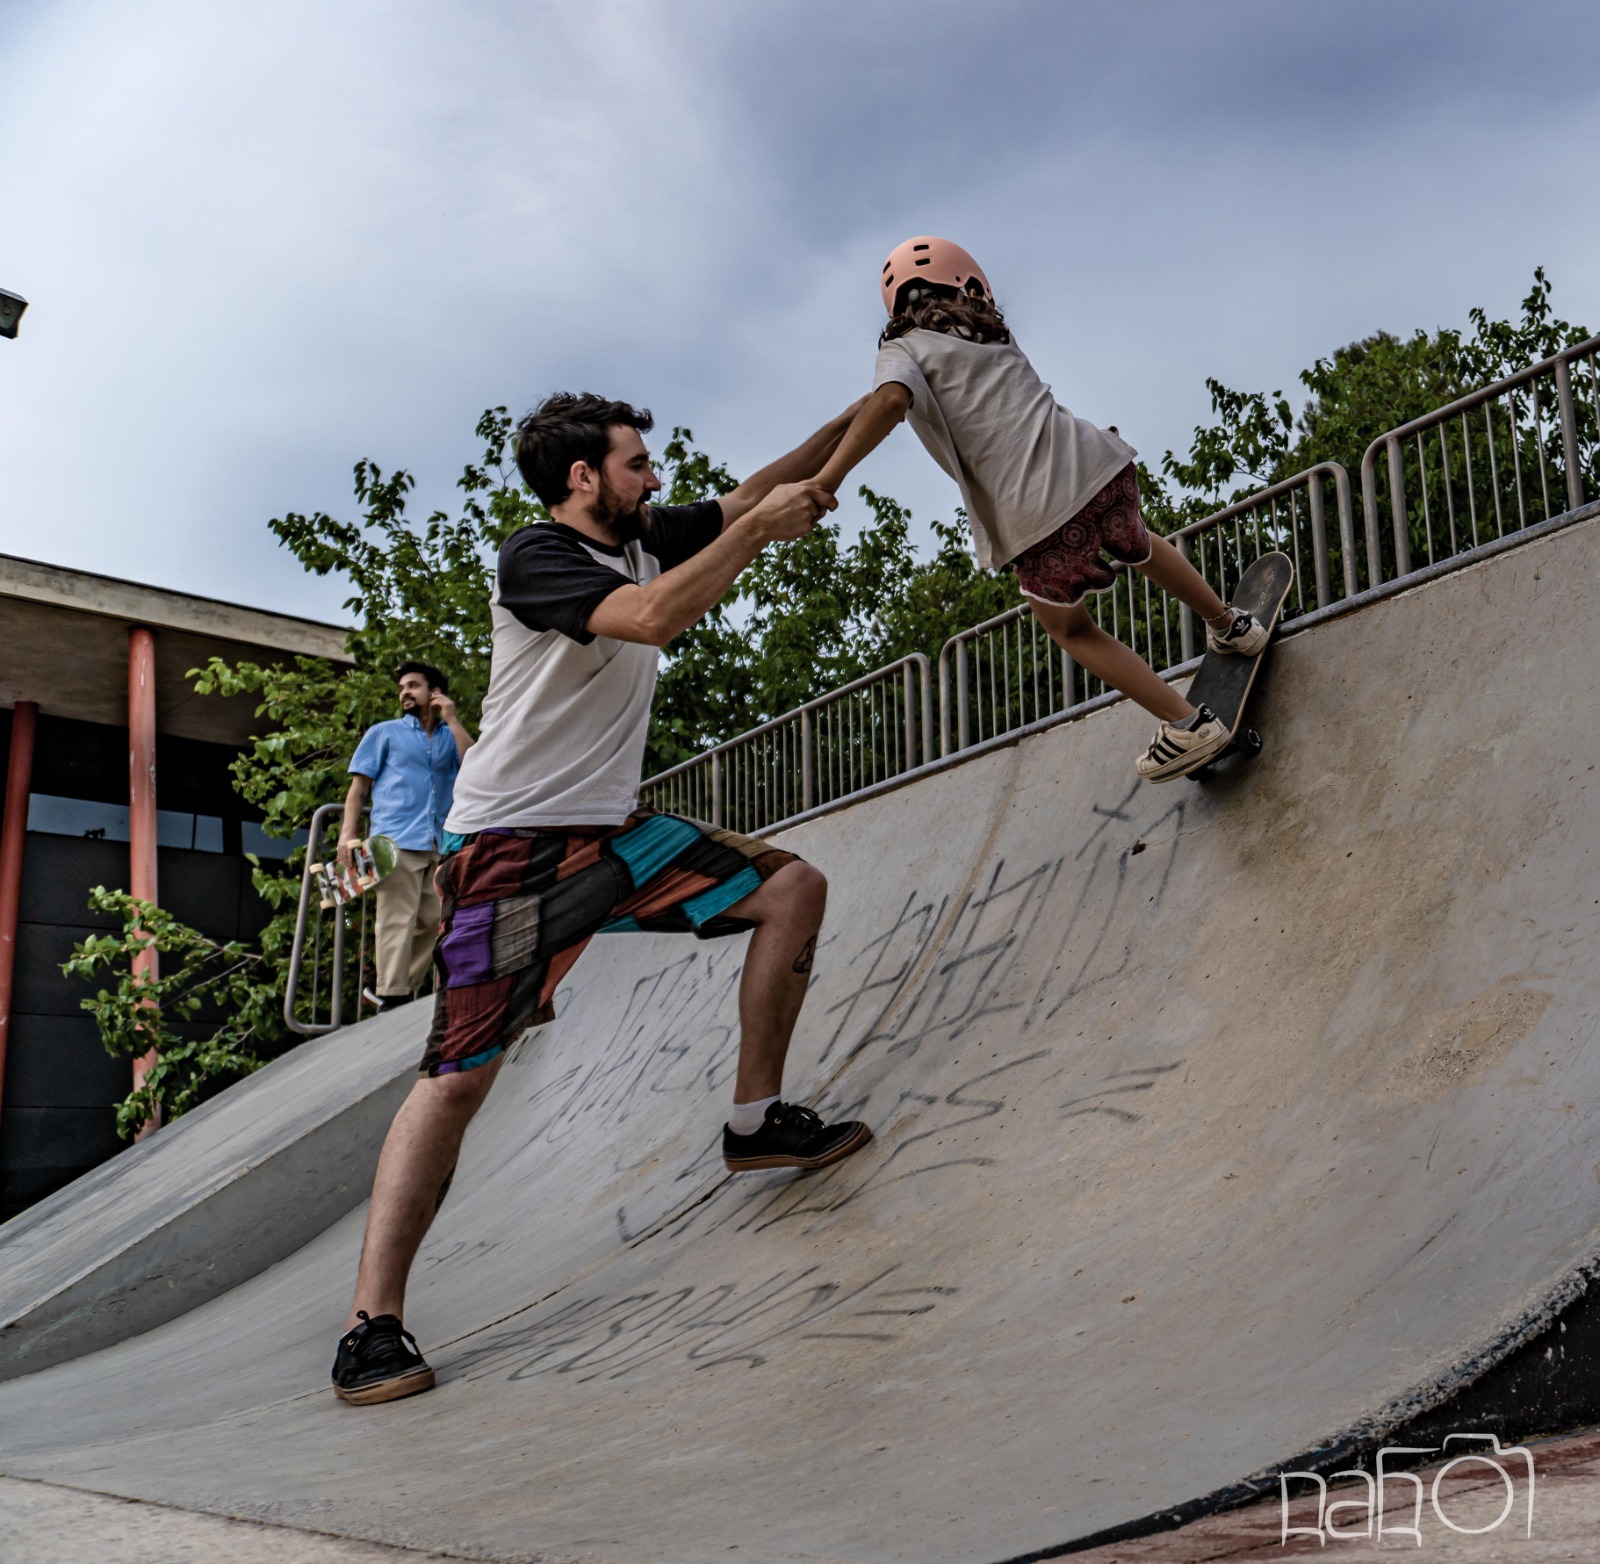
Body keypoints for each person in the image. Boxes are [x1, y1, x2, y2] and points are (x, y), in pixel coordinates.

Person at [332, 392, 873, 1405]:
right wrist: (756, 530)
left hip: (616, 838)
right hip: (508, 857)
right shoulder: (537, 557)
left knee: (791, 889)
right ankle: (371, 1325)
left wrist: (875, 403)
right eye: (636, 465)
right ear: (583, 477)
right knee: (456, 1079)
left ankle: (755, 1120)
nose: (654, 479)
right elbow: (659, 616)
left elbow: (753, 488)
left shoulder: (640, 532)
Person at [806, 238, 1273, 782]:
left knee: (1071, 630)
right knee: (1141, 543)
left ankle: (1189, 724)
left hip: (1038, 519)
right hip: (1098, 466)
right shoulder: (987, 326)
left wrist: (826, 478)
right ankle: (1233, 625)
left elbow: (888, 400)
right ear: (970, 282)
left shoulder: (903, 349)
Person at [339, 662, 474, 1010]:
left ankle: (397, 992)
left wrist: (453, 720)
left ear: (435, 692)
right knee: (396, 918)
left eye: (413, 685)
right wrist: (347, 835)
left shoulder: (449, 736)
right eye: (402, 688)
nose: (405, 693)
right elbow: (358, 792)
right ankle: (392, 991)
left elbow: (475, 765)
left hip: (438, 842)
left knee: (432, 922)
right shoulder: (383, 733)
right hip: (392, 841)